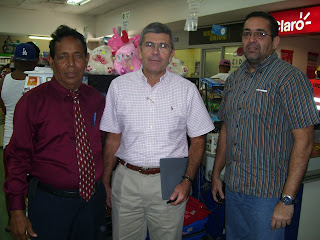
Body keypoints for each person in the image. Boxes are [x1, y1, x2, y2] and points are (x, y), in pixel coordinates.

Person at [211, 11, 320, 240]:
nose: (252, 40)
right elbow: (227, 129)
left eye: (260, 34)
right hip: (234, 187)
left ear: (275, 41)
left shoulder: (289, 79)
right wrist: (216, 174)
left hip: (268, 196)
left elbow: (305, 140)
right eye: (247, 34)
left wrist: (287, 199)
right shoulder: (235, 79)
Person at [100, 22, 214, 240]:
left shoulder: (187, 90)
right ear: (140, 49)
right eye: (150, 44)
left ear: (171, 53)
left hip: (169, 181)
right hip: (126, 178)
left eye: (163, 46)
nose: (155, 51)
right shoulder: (119, 86)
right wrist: (106, 181)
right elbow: (113, 137)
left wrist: (187, 181)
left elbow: (198, 139)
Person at [3, 25, 107, 240]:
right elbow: (17, 158)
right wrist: (16, 210)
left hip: (92, 203)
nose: (71, 64)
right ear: (50, 61)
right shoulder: (32, 103)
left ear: (87, 60)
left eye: (77, 56)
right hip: (50, 203)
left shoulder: (97, 100)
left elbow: (104, 146)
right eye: (62, 57)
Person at [0, 42, 39, 233]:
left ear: (14, 59)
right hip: (32, 143)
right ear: (36, 61)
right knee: (32, 184)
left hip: (9, 141)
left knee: (12, 183)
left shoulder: (5, 80)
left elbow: (5, 107)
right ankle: (32, 218)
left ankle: (11, 221)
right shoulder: (38, 82)